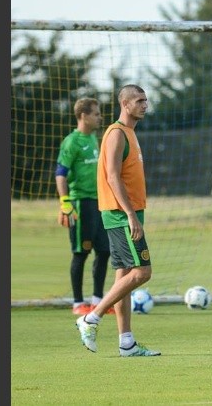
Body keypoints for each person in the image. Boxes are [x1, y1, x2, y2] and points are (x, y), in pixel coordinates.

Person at [75, 84, 160, 357]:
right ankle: (91, 317)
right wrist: (131, 215)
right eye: (139, 100)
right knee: (142, 272)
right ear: (125, 104)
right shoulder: (116, 133)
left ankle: (127, 343)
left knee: (124, 275)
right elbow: (113, 177)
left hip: (127, 212)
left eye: (146, 100)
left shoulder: (130, 133)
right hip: (121, 214)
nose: (145, 105)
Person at [55, 97, 113, 316]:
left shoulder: (94, 139)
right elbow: (60, 174)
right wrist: (65, 203)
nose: (100, 117)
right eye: (96, 114)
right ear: (83, 116)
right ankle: (78, 303)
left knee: (105, 250)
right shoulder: (72, 142)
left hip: (99, 203)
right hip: (81, 203)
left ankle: (98, 301)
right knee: (81, 252)